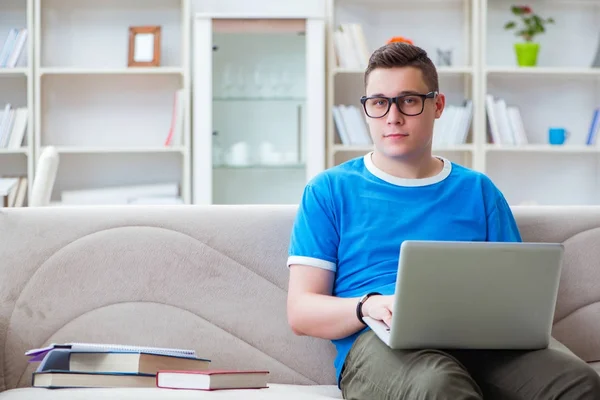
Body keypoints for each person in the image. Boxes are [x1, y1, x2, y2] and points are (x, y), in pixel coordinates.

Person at [286, 42, 600, 400]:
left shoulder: (478, 190)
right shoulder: (329, 190)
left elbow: (518, 294)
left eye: (408, 100)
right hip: (378, 345)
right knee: (438, 383)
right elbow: (301, 310)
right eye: (378, 102)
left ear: (437, 106)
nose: (392, 116)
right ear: (367, 109)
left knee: (579, 381)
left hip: (483, 345)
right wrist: (368, 304)